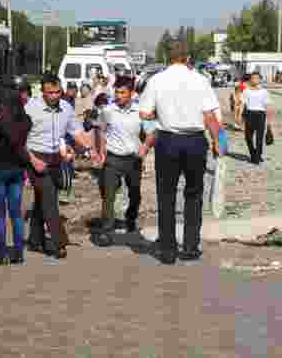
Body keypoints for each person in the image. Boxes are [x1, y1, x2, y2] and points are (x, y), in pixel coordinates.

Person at [139, 41, 221, 264]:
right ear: (188, 58)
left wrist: (160, 118)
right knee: (194, 195)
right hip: (195, 142)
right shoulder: (200, 80)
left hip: (168, 141)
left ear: (168, 57)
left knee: (166, 195)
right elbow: (211, 116)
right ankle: (191, 247)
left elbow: (144, 113)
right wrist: (218, 142)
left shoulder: (156, 80)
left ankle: (168, 250)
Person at [24, 73, 91, 259]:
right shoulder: (31, 108)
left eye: (57, 92)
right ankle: (59, 243)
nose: (54, 96)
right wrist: (31, 160)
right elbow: (20, 139)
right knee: (49, 199)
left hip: (56, 159)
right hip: (35, 158)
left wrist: (89, 148)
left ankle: (35, 240)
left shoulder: (66, 108)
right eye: (50, 92)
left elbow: (77, 132)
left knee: (42, 200)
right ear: (42, 92)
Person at [92, 75, 150, 246]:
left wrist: (144, 150)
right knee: (109, 196)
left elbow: (148, 133)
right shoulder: (108, 111)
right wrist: (101, 152)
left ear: (131, 94)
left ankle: (130, 220)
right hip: (112, 159)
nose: (118, 96)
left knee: (135, 194)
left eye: (122, 92)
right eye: (116, 92)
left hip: (133, 160)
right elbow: (101, 130)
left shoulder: (140, 112)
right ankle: (107, 231)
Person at [0, 84, 32, 265]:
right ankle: (18, 252)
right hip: (18, 169)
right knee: (16, 213)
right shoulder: (27, 121)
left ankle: (0, 252)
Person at [242, 72, 269, 164]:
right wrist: (241, 117)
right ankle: (253, 154)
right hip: (249, 114)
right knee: (248, 137)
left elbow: (266, 105)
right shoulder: (246, 91)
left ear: (260, 80)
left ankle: (257, 157)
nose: (254, 80)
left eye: (257, 78)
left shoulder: (264, 91)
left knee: (259, 138)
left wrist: (269, 121)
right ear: (250, 80)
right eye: (253, 78)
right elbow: (243, 104)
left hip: (260, 114)